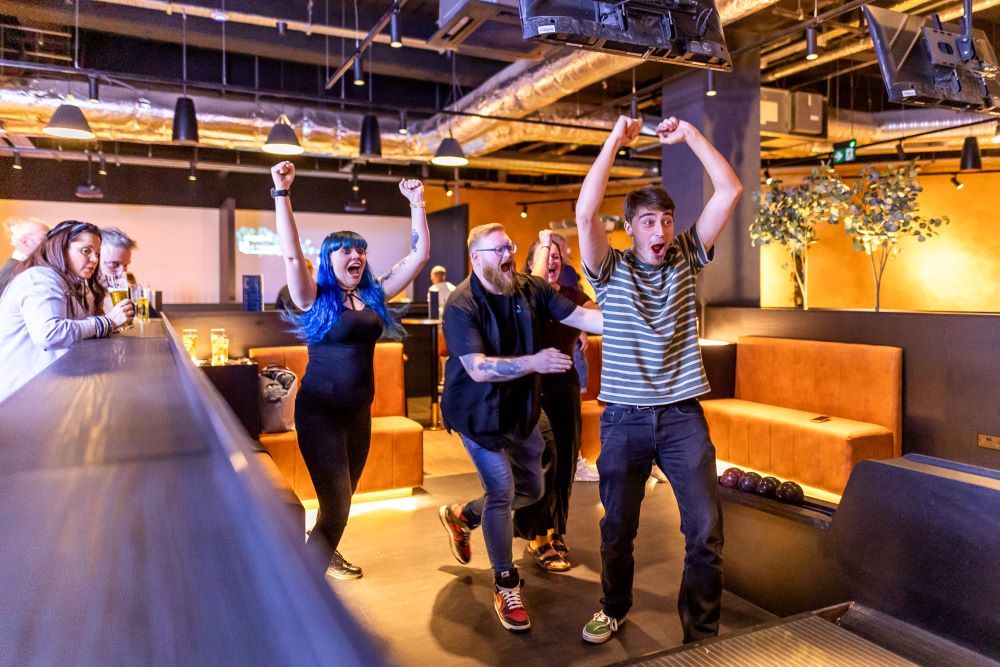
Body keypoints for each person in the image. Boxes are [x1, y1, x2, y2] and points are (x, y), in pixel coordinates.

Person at [575, 116, 743, 645]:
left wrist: (690, 135)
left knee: (705, 532)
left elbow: (730, 190)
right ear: (630, 228)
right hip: (624, 419)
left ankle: (701, 635)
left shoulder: (687, 257)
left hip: (682, 417)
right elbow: (585, 213)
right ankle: (613, 607)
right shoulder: (610, 269)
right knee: (617, 529)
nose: (660, 231)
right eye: (649, 221)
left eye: (666, 221)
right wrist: (614, 141)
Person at [437, 222, 602, 633]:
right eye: (498, 250)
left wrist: (635, 316)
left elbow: (582, 316)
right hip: (478, 414)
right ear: (476, 259)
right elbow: (477, 369)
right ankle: (505, 583)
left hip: (520, 409)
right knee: (502, 490)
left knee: (532, 490)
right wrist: (535, 362)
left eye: (509, 246)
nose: (507, 254)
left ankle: (462, 516)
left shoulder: (531, 289)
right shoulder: (460, 304)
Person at [270, 160, 429, 581]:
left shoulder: (374, 294)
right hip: (319, 413)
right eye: (345, 250)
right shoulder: (313, 296)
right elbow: (291, 253)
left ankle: (324, 547)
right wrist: (282, 192)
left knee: (341, 501)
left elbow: (419, 255)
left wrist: (417, 203)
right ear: (328, 259)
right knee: (338, 505)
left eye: (360, 249)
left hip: (359, 413)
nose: (356, 255)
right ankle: (302, 588)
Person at [512, 229, 597, 573]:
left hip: (565, 385)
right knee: (545, 458)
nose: (552, 261)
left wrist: (584, 329)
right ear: (531, 263)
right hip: (532, 386)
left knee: (566, 461)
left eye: (557, 257)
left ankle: (555, 531)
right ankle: (536, 536)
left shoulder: (571, 296)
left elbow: (596, 312)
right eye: (546, 255)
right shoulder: (524, 294)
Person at [0, 221, 134, 405]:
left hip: (39, 390)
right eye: (86, 251)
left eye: (97, 254)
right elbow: (50, 334)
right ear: (60, 247)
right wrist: (107, 322)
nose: (94, 259)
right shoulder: (40, 278)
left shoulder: (61, 280)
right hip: (19, 395)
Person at [0, 219, 49, 296]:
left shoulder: (24, 268)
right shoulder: (13, 271)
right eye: (44, 239)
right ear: (26, 242)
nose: (50, 243)